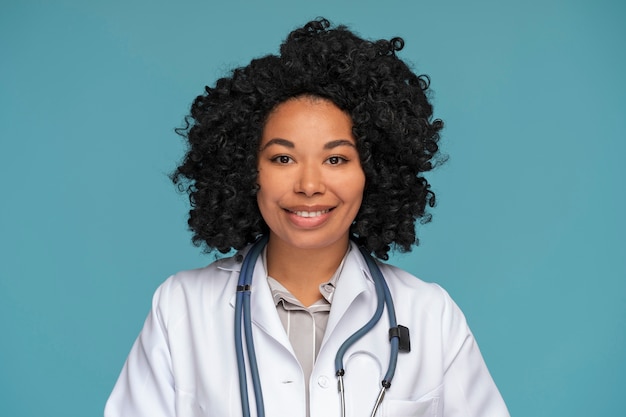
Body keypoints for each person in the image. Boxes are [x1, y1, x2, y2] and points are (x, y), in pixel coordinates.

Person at [105, 18, 510, 417]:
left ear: (374, 170)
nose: (310, 185)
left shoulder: (429, 314)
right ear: (247, 170)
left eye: (336, 159)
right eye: (283, 158)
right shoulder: (182, 308)